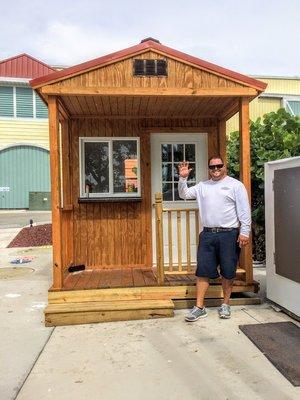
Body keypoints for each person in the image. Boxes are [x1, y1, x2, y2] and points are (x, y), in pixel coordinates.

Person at [178, 156, 251, 321]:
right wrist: (183, 178)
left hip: (229, 234)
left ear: (225, 166)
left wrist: (244, 232)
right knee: (202, 271)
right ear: (209, 169)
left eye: (219, 166)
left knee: (228, 271)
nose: (216, 169)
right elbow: (184, 194)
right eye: (212, 167)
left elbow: (244, 211)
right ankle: (199, 307)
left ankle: (225, 304)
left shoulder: (235, 185)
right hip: (208, 234)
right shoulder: (203, 186)